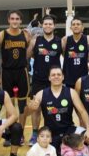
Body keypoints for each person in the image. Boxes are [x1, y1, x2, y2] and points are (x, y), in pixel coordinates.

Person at [28, 66, 89, 156]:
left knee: (85, 135)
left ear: (63, 77)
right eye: (53, 75)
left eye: (59, 74)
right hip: (50, 132)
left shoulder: (71, 92)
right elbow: (30, 111)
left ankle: (83, 155)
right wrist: (31, 107)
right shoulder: (41, 93)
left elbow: (82, 111)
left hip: (68, 130)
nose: (56, 77)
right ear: (49, 78)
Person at [0, 10, 31, 145]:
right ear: (8, 20)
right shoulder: (1, 35)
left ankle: (19, 133)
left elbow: (28, 53)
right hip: (7, 72)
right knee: (9, 104)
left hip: (22, 71)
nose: (15, 21)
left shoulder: (26, 35)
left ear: (20, 21)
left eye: (17, 19)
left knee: (22, 105)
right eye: (12, 18)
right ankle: (10, 132)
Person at [26, 14, 62, 146]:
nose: (48, 26)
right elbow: (27, 56)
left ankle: (53, 132)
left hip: (54, 81)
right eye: (45, 24)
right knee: (36, 108)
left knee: (54, 108)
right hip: (38, 80)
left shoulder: (60, 41)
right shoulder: (36, 40)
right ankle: (35, 133)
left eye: (50, 24)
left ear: (54, 26)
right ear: (42, 25)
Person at [61, 17, 89, 88]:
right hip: (69, 77)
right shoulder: (65, 39)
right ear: (71, 27)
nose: (76, 26)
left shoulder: (88, 39)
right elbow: (63, 54)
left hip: (83, 77)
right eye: (73, 24)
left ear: (82, 27)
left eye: (78, 24)